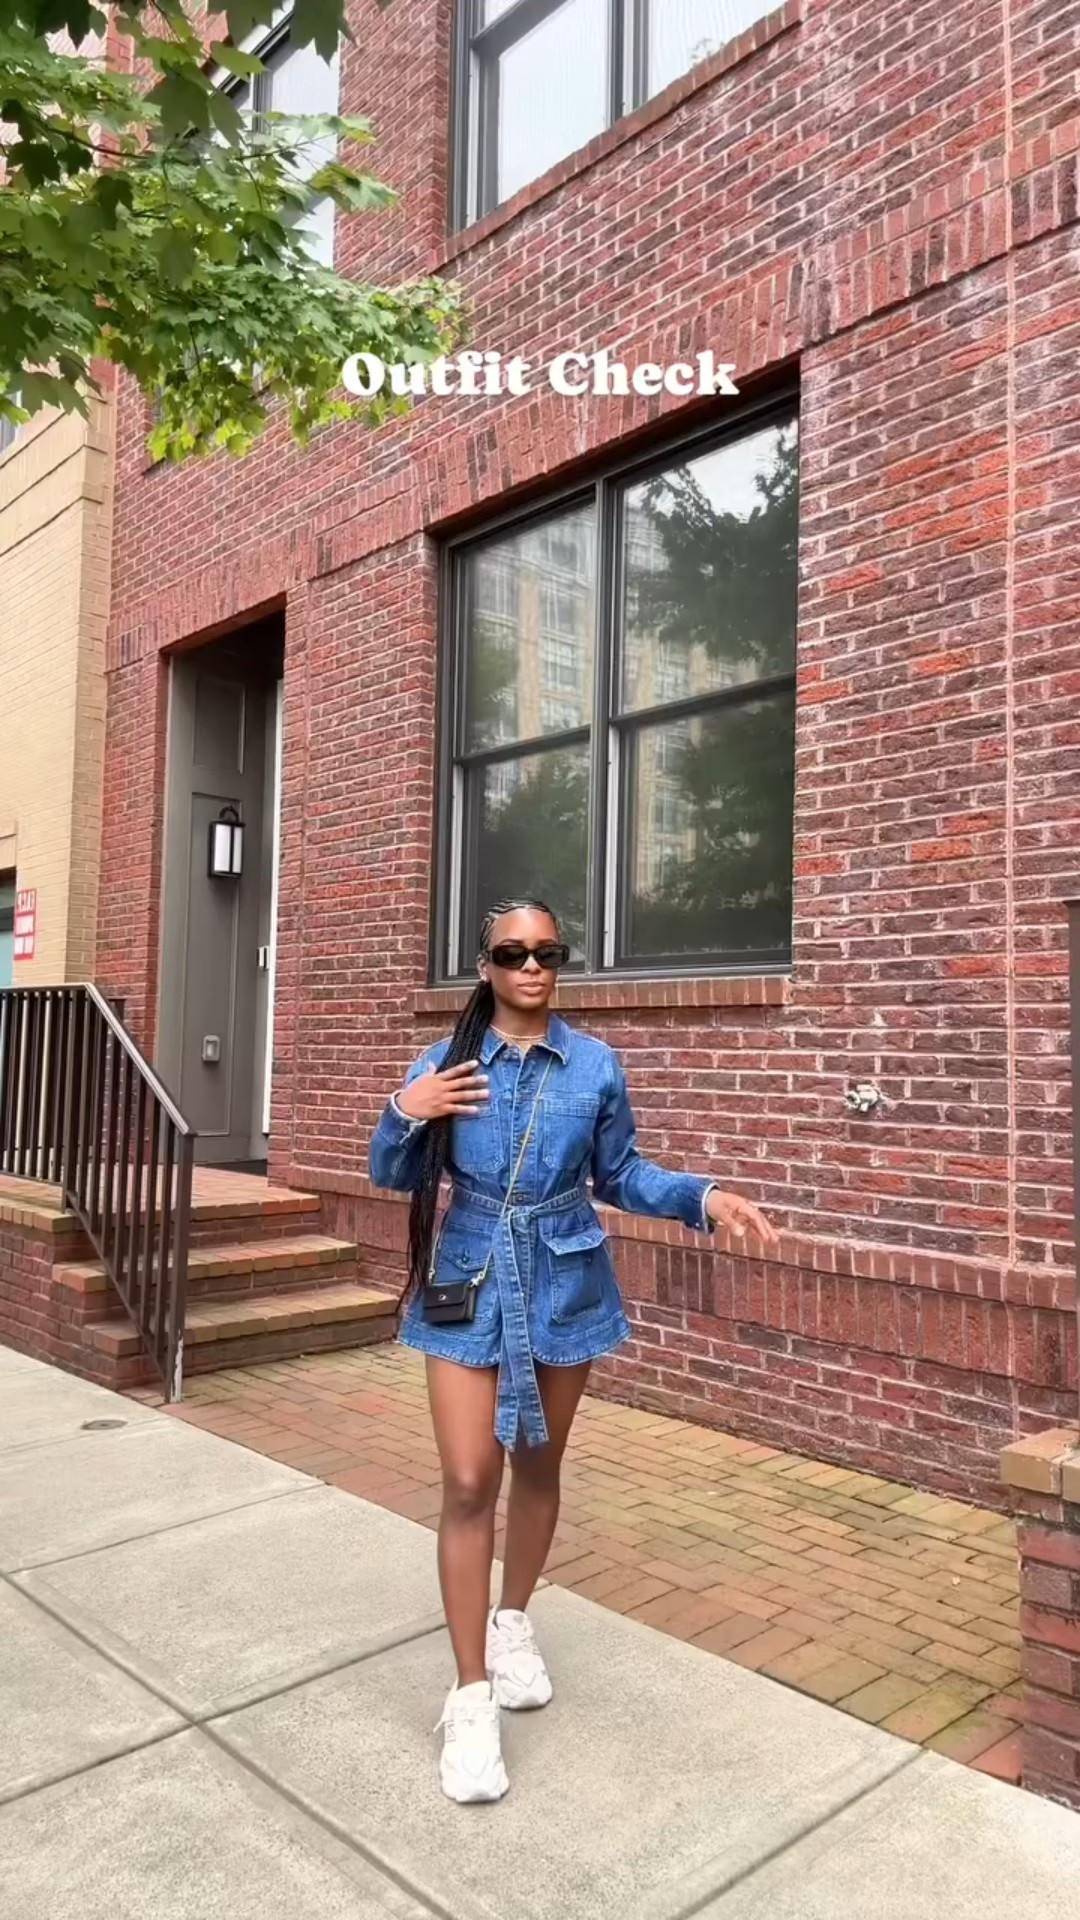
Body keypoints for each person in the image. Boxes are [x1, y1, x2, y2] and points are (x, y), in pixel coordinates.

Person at [368, 896, 779, 1804]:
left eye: (548, 953)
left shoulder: (593, 1065)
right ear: (485, 965)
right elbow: (392, 1172)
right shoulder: (445, 1062)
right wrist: (406, 1109)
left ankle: (513, 1619)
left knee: (538, 1464)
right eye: (513, 953)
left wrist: (701, 1197)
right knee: (469, 1480)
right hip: (470, 1274)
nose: (532, 967)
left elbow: (619, 1173)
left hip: (564, 1277)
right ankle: (470, 1694)